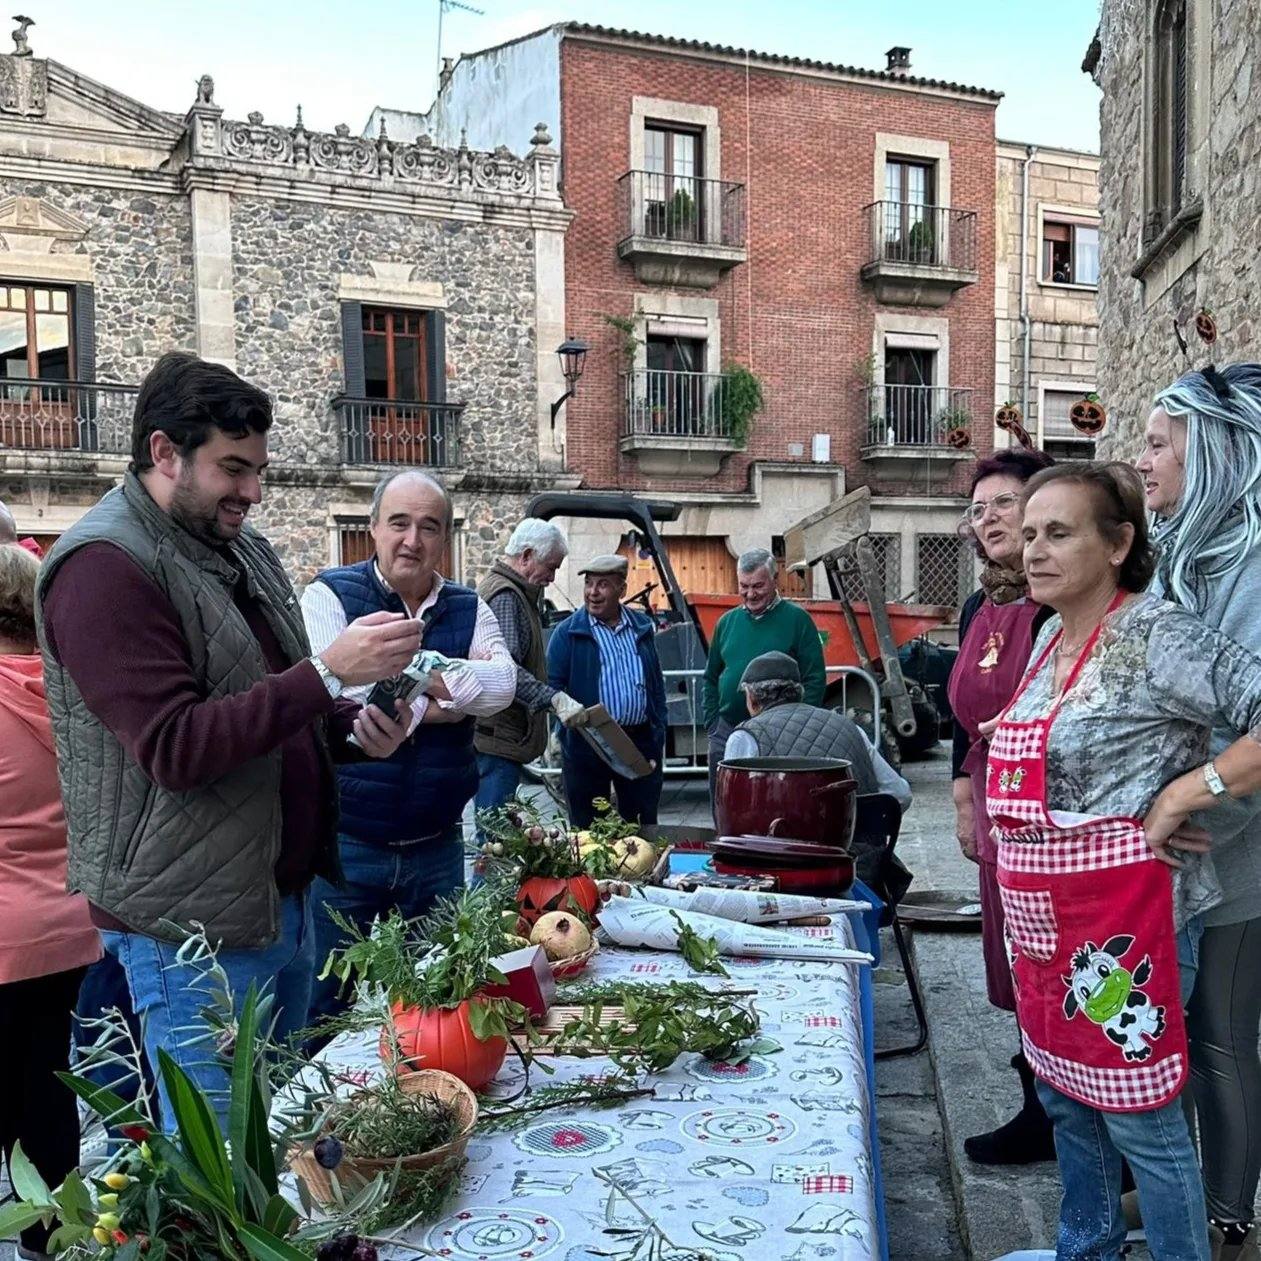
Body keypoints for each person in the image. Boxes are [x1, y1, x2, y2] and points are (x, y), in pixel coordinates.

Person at [36, 352, 419, 1130]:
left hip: (279, 902)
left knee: (278, 1135)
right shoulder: (102, 567)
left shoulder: (237, 545)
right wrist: (327, 674)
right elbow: (175, 747)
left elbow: (261, 699)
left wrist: (350, 731)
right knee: (215, 1170)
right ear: (165, 452)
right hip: (190, 934)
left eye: (258, 470)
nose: (251, 491)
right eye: (232, 468)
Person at [986, 460, 1261, 1261]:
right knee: (1068, 1105)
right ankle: (1088, 1248)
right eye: (1029, 533)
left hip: (1131, 926)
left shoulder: (1155, 635)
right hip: (1044, 926)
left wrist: (1184, 793)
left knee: (1142, 1121)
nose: (1032, 549)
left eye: (1058, 531)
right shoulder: (1043, 636)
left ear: (1117, 544)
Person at [302, 469, 516, 1030]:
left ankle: (426, 1104)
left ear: (444, 539)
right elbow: (340, 695)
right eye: (398, 523)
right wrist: (447, 702)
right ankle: (319, 1114)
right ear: (372, 528)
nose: (412, 540)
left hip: (437, 848)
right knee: (324, 1008)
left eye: (428, 527)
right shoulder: (329, 595)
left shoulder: (469, 608)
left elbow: (503, 687)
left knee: (437, 1005)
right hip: (347, 847)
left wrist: (413, 674)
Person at [1137, 363, 1261, 1260]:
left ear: (1211, 451)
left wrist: (1183, 793)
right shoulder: (1185, 550)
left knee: (1220, 1032)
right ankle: (1177, 1189)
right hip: (1179, 844)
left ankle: (1227, 1216)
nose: (1141, 462)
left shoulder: (1253, 568)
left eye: (1156, 443)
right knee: (1174, 1028)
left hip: (1238, 846)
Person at [946, 445, 1057, 1167]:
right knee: (1011, 966)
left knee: (1048, 965)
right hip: (992, 810)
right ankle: (1035, 1108)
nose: (988, 517)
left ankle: (1063, 1113)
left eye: (1004, 503)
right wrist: (961, 791)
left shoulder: (1055, 604)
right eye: (978, 506)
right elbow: (962, 718)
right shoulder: (975, 605)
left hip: (1044, 812)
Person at [0, 545, 101, 1261]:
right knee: (51, 1083)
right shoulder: (74, 691)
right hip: (73, 924)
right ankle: (54, 1236)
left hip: (5, 936)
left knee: (13, 1096)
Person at [474, 517, 586, 814]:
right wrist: (553, 698)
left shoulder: (515, 592)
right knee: (494, 834)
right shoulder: (507, 597)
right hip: (497, 739)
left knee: (499, 830)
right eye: (550, 567)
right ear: (525, 557)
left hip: (501, 736)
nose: (551, 577)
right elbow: (505, 672)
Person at [546, 554, 666, 827]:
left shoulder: (641, 628)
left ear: (621, 590)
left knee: (641, 828)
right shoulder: (568, 633)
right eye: (589, 584)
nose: (593, 592)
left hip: (637, 743)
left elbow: (656, 689)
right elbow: (551, 688)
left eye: (603, 585)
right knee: (589, 833)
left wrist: (657, 735)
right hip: (587, 745)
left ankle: (640, 872)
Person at [702, 547, 826, 803]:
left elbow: (814, 678)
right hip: (727, 729)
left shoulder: (798, 620)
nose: (750, 594)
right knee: (723, 800)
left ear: (775, 579)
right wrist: (713, 724)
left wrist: (799, 724)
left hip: (781, 732)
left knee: (772, 800)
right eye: (744, 586)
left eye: (758, 586)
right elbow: (711, 676)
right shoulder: (726, 623)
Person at [724, 650, 911, 812]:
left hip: (782, 850)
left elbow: (732, 808)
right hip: (858, 849)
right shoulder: (850, 727)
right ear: (799, 692)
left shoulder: (746, 737)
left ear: (753, 698)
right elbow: (900, 794)